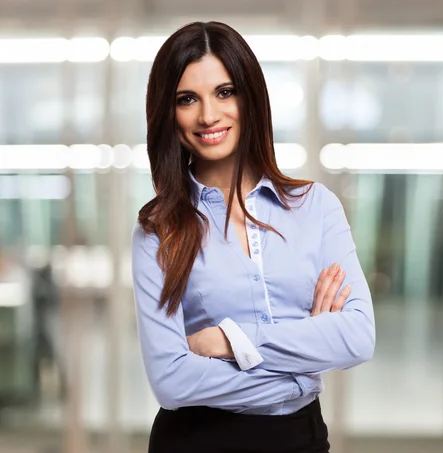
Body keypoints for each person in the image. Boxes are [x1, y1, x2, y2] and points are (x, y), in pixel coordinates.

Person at [131, 21, 375, 453]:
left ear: (251, 97)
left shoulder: (315, 207)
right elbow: (172, 381)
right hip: (195, 442)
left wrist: (230, 342)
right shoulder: (159, 228)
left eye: (225, 92)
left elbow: (356, 336)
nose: (208, 115)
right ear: (169, 113)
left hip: (302, 439)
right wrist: (302, 368)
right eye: (187, 99)